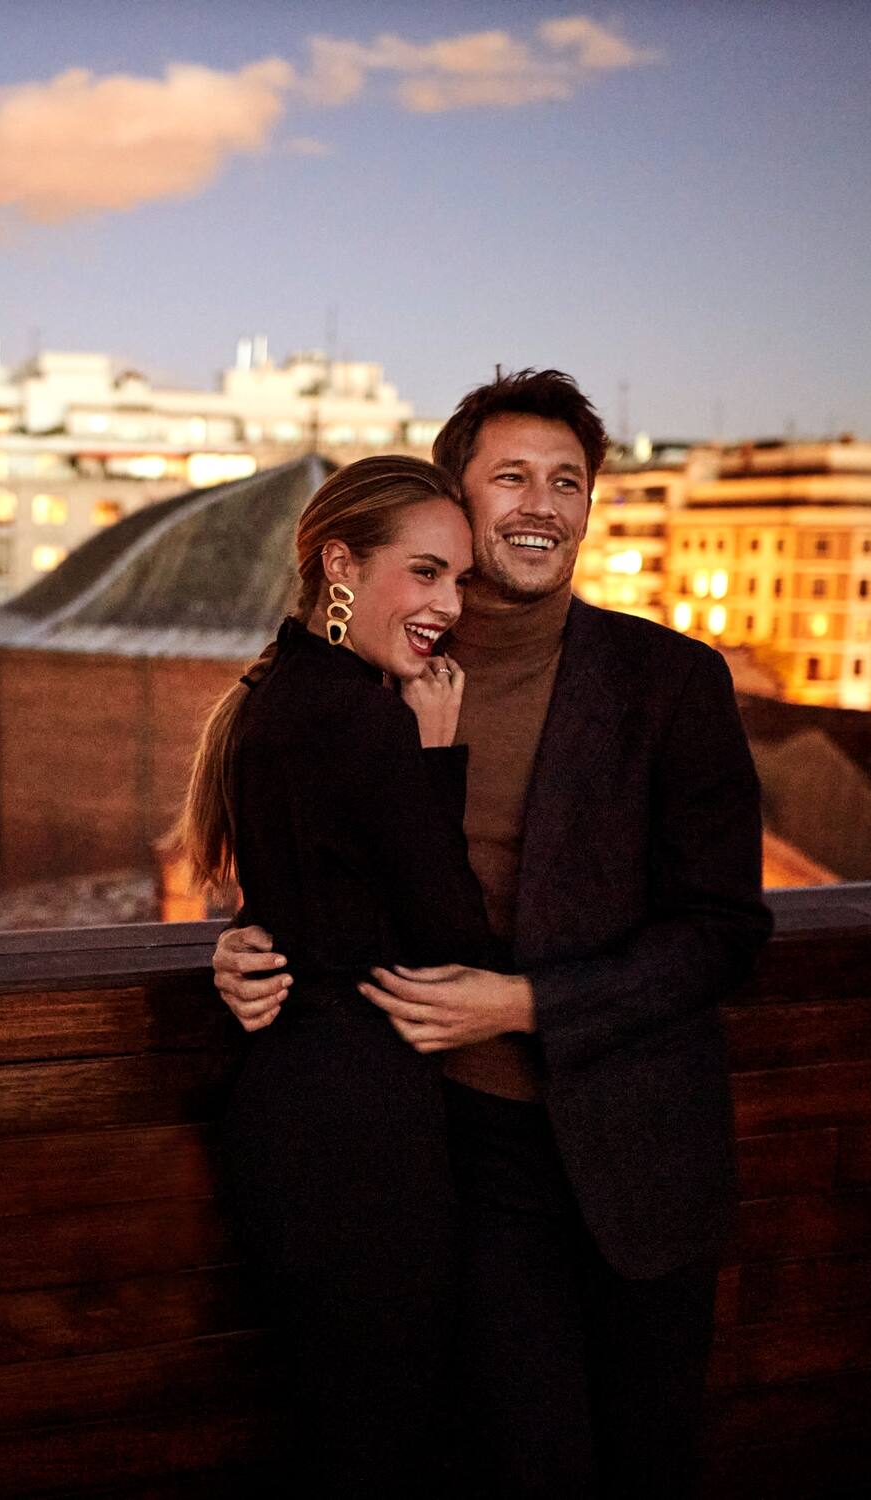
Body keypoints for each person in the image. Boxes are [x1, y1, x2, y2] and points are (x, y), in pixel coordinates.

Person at [214, 370, 772, 1497]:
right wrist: (242, 945)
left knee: (646, 1459)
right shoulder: (379, 679)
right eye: (510, 476)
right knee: (520, 1463)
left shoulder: (669, 681)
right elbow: (319, 873)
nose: (541, 504)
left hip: (637, 1152)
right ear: (453, 499)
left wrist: (528, 1003)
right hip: (458, 1148)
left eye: (566, 481)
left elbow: (723, 932)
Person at [173, 455, 492, 1493]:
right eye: (427, 573)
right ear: (339, 564)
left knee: (334, 1418)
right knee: (382, 1431)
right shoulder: (364, 718)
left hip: (291, 1108)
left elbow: (309, 899)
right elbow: (451, 938)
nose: (447, 604)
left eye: (458, 582)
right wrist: (436, 757)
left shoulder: (274, 693)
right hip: (357, 1128)